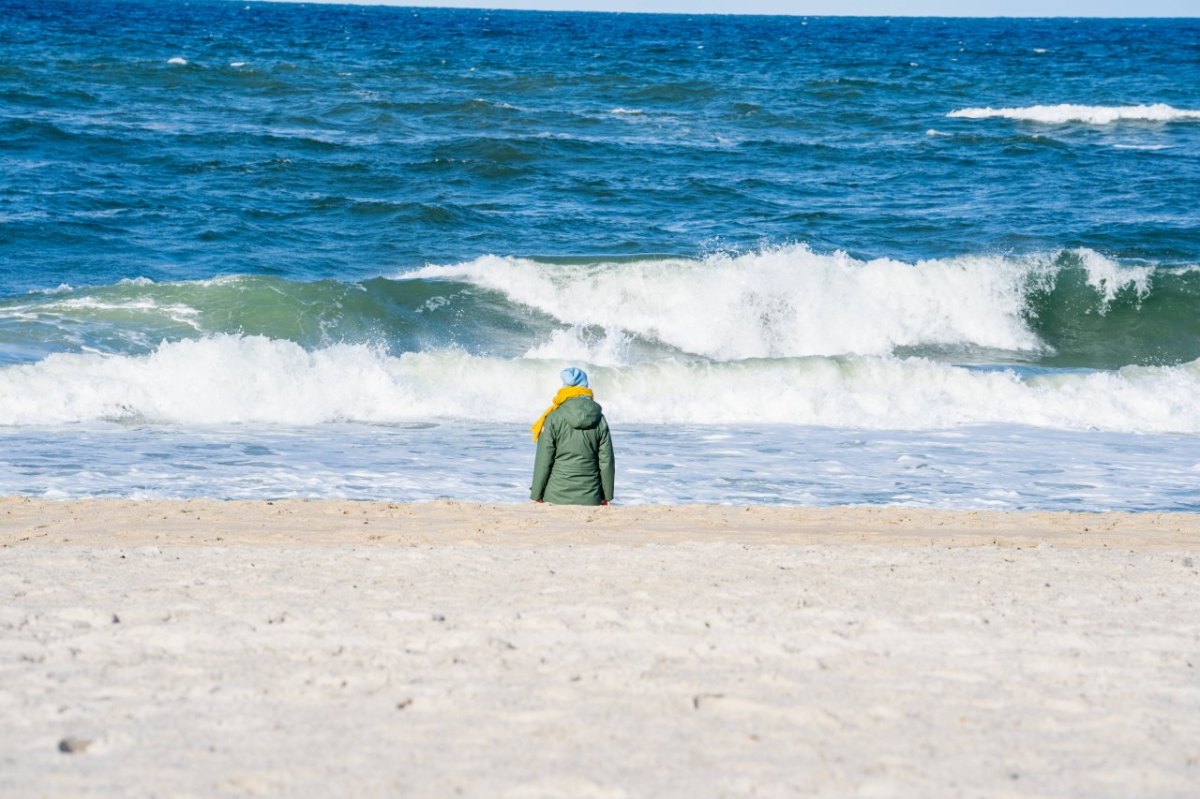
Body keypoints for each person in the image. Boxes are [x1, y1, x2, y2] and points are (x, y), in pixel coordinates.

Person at [530, 367, 614, 506]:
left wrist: (536, 495)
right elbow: (606, 462)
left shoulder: (553, 417)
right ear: (585, 387)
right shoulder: (599, 418)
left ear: (565, 386)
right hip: (591, 497)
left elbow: (544, 460)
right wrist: (607, 496)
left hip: (555, 496)